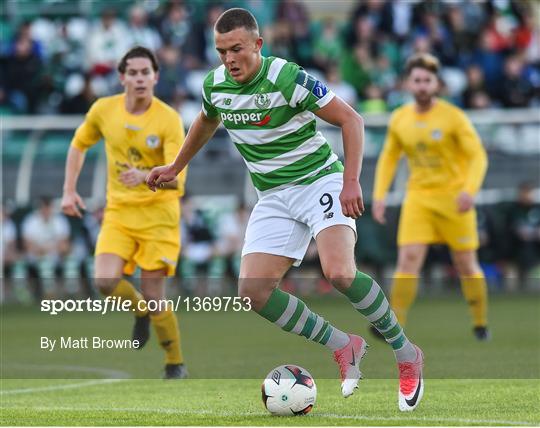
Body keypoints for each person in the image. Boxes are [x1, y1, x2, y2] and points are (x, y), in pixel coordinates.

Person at [147, 8, 424, 411]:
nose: (229, 59)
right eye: (222, 51)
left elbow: (351, 120)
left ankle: (405, 352)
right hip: (273, 195)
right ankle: (344, 345)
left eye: (237, 49)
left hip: (320, 180)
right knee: (253, 292)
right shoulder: (215, 85)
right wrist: (175, 166)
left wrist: (350, 181)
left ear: (258, 45)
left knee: (339, 272)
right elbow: (207, 121)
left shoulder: (286, 76)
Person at [61, 46, 188, 379]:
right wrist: (68, 190)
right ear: (122, 78)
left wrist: (146, 176)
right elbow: (78, 145)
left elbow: (178, 179)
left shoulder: (168, 119)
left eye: (146, 72)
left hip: (159, 216)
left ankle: (175, 363)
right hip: (119, 212)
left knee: (155, 295)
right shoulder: (104, 110)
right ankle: (140, 310)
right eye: (133, 72)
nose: (140, 78)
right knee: (104, 281)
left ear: (156, 77)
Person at [372, 53, 490, 341]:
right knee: (408, 259)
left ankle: (480, 322)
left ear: (437, 84)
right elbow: (389, 158)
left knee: (465, 263)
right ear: (408, 84)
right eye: (417, 80)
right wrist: (379, 196)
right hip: (419, 199)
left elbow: (478, 157)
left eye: (427, 80)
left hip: (454, 200)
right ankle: (394, 325)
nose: (422, 85)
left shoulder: (454, 117)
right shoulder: (400, 118)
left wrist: (469, 191)